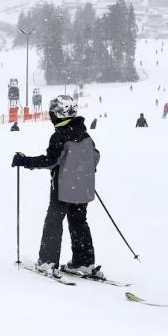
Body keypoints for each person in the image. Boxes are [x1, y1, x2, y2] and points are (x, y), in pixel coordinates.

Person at [12, 96, 102, 278]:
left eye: (52, 113)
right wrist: (82, 170)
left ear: (58, 114)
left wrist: (25, 161)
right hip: (82, 187)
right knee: (78, 221)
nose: (50, 117)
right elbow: (95, 156)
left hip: (62, 188)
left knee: (54, 221)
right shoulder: (85, 135)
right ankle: (83, 262)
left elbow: (50, 161)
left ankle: (48, 261)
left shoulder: (60, 136)